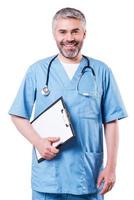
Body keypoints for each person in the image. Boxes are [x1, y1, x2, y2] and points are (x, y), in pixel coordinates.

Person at [9, 7, 127, 200]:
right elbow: (18, 114)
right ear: (54, 34)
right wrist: (38, 142)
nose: (69, 38)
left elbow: (112, 121)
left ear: (84, 34)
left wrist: (111, 167)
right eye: (63, 31)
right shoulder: (37, 71)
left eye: (75, 31)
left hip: (87, 176)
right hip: (48, 177)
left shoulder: (101, 71)